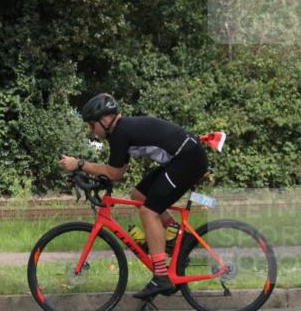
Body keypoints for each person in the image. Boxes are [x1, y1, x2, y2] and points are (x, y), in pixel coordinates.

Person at [60, 93, 209, 299]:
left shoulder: (121, 132)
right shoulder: (121, 131)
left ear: (104, 121)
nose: (91, 130)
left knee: (149, 212)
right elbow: (118, 173)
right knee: (138, 195)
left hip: (188, 160)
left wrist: (79, 164)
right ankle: (178, 238)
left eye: (91, 125)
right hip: (182, 158)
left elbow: (113, 173)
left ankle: (161, 276)